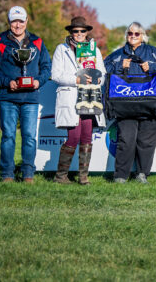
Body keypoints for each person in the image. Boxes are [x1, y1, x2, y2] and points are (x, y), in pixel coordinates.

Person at [0, 6, 52, 183]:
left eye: (21, 21)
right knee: (8, 136)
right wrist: (8, 82)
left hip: (30, 98)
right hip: (8, 97)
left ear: (26, 21)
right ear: (9, 22)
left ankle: (28, 173)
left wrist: (39, 81)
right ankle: (7, 173)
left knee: (29, 137)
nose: (17, 25)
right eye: (14, 21)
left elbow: (46, 67)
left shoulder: (37, 42)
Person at [104, 22, 156, 184]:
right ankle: (121, 176)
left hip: (149, 104)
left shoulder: (155, 54)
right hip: (125, 106)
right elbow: (103, 71)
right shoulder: (117, 55)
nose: (133, 36)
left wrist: (152, 67)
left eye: (137, 34)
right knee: (126, 140)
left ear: (143, 35)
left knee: (146, 142)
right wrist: (118, 66)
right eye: (130, 33)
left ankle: (142, 174)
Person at [51, 16, 106, 185]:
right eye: (76, 31)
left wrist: (97, 79)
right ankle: (61, 176)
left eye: (83, 31)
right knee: (73, 137)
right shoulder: (62, 49)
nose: (79, 34)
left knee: (87, 137)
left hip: (89, 97)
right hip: (71, 97)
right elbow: (55, 75)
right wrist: (77, 79)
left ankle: (83, 177)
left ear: (87, 32)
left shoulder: (93, 49)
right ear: (70, 32)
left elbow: (102, 73)